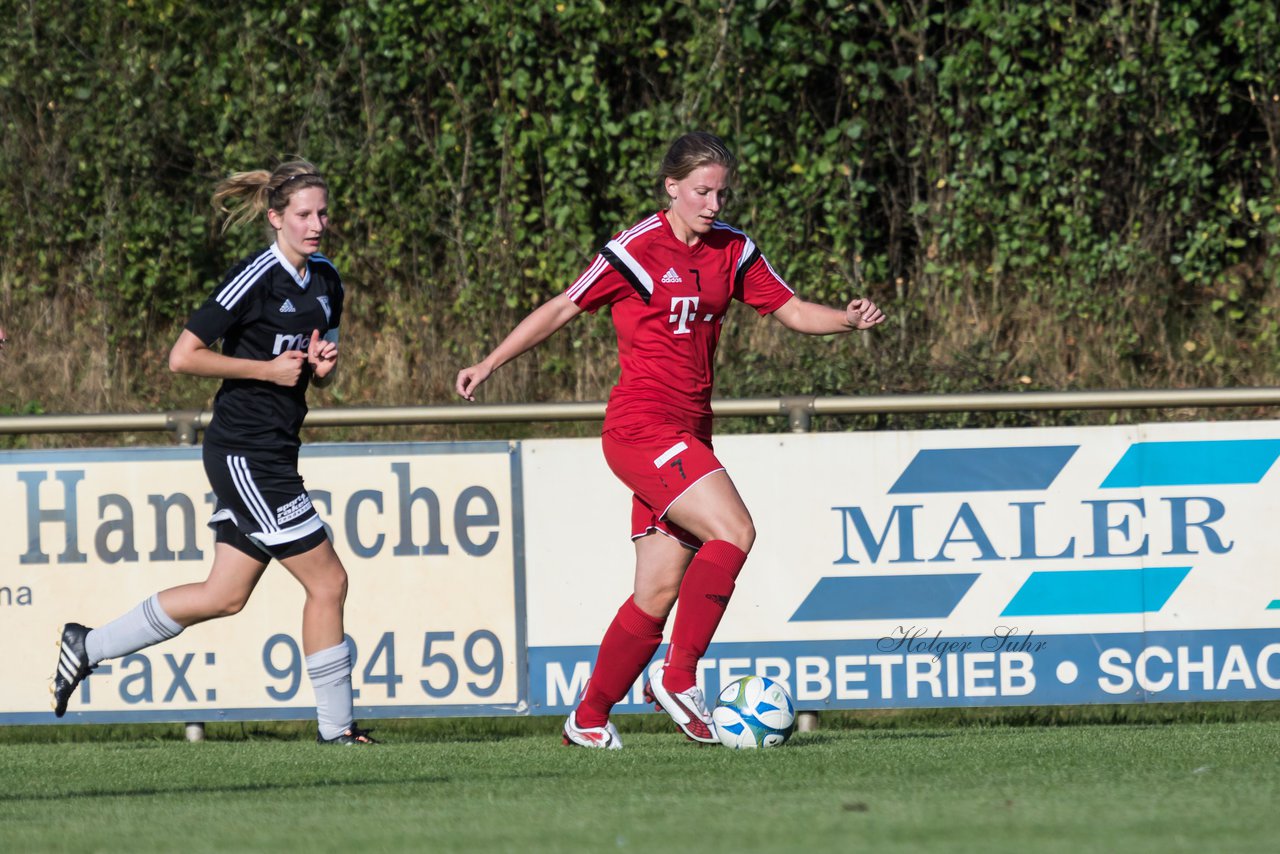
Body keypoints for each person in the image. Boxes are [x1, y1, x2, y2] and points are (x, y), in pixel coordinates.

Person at [456, 131, 885, 748]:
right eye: (702, 192)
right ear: (672, 188)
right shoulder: (635, 249)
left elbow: (791, 310)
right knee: (735, 531)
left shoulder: (733, 250)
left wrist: (845, 319)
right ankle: (677, 677)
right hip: (639, 427)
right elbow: (560, 308)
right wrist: (490, 362)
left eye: (721, 193)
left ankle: (589, 716)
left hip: (688, 432)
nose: (713, 204)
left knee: (655, 594)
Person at [51, 160, 375, 745]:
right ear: (275, 218)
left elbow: (306, 370)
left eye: (323, 212)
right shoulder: (253, 277)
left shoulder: (327, 282)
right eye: (303, 214)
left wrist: (322, 371)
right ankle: (338, 731)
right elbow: (183, 356)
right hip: (244, 453)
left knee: (223, 596)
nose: (316, 224)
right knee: (328, 582)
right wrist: (266, 371)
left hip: (277, 450)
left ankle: (87, 645)